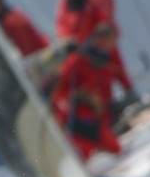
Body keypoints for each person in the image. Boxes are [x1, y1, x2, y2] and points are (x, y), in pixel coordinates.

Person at [54, 0, 131, 92]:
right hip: (81, 53)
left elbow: (107, 24)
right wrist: (69, 42)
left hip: (102, 46)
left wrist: (95, 42)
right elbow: (62, 28)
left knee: (111, 58)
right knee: (71, 70)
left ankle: (129, 91)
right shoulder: (65, 3)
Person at [53, 22, 125, 160]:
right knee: (90, 149)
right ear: (98, 39)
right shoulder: (76, 60)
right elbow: (59, 91)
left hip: (95, 115)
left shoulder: (105, 63)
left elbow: (104, 98)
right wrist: (84, 98)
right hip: (74, 113)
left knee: (114, 146)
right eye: (110, 41)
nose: (111, 46)